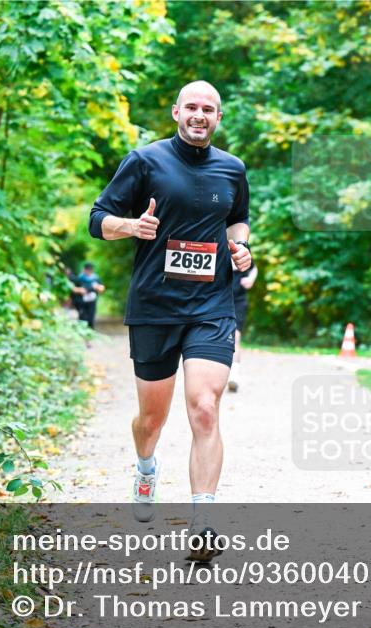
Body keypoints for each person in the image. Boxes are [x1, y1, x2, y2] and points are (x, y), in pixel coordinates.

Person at [88, 80, 251, 560]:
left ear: (218, 118)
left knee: (204, 406)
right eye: (193, 107)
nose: (200, 115)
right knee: (152, 419)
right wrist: (131, 226)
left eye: (210, 109)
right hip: (155, 307)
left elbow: (237, 221)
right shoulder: (145, 161)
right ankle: (144, 468)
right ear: (177, 111)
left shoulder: (232, 169)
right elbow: (97, 218)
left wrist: (241, 248)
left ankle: (202, 524)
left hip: (211, 306)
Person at [227, 261, 257, 392]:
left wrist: (251, 279)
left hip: (238, 301)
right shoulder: (213, 245)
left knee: (235, 336)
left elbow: (254, 268)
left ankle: (234, 375)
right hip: (217, 300)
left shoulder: (241, 246)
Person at [74, 262, 105, 329]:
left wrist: (98, 287)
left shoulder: (95, 278)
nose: (89, 271)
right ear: (84, 269)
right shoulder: (80, 278)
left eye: (90, 269)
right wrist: (80, 290)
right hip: (82, 301)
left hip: (92, 301)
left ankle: (91, 331)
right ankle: (82, 331)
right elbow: (73, 289)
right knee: (83, 317)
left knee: (91, 317)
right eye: (87, 269)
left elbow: (102, 287)